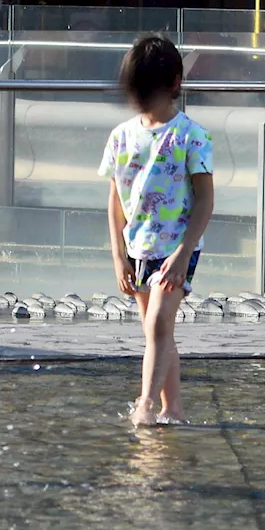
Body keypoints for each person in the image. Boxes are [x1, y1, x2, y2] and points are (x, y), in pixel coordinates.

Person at [99, 36, 214, 427]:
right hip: (139, 245)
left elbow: (204, 200)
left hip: (177, 246)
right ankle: (174, 409)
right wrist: (118, 256)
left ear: (175, 84)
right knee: (157, 332)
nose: (141, 100)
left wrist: (184, 252)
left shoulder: (190, 136)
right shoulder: (121, 137)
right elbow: (115, 202)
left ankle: (146, 404)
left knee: (158, 325)